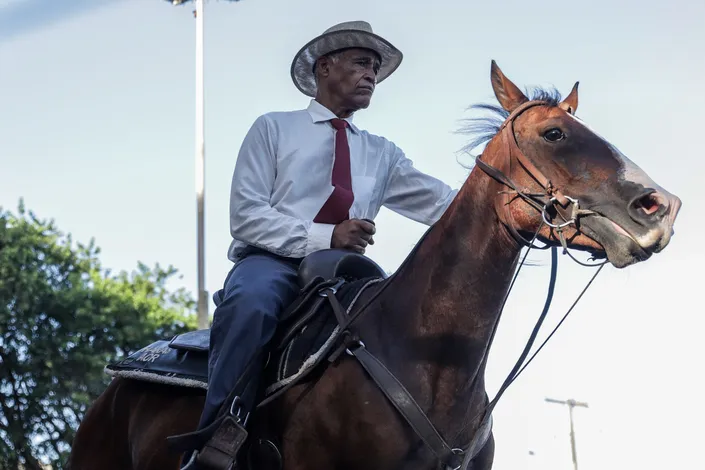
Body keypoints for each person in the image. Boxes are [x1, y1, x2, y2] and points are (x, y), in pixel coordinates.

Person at [190, 20, 459, 466]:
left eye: (374, 67)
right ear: (325, 67)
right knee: (251, 305)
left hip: (348, 276)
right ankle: (220, 434)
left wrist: (511, 201)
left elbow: (445, 205)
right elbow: (246, 216)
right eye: (360, 63)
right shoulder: (273, 128)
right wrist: (327, 236)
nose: (371, 74)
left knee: (408, 322)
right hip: (272, 263)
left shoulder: (382, 151)